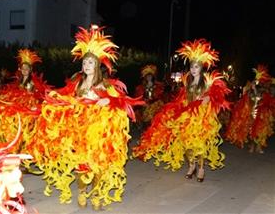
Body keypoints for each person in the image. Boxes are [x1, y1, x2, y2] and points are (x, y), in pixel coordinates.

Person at [27, 25, 143, 210]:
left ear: (96, 65)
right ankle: (82, 191)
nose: (86, 66)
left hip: (99, 133)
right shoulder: (77, 82)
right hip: (80, 131)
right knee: (82, 164)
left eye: (89, 63)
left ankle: (96, 194)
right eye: (84, 63)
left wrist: (109, 102)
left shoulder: (105, 84)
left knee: (98, 164)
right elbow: (66, 98)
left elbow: (121, 101)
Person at [132, 39, 230, 182]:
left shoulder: (208, 83)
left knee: (200, 145)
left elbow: (215, 96)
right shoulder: (187, 82)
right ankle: (191, 165)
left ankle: (201, 169)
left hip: (202, 118)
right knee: (187, 144)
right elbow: (182, 99)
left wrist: (208, 99)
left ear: (201, 68)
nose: (193, 69)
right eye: (192, 67)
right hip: (188, 117)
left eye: (196, 67)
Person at [225, 64, 274, 153]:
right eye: (256, 80)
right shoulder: (250, 89)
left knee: (261, 130)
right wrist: (252, 89)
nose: (257, 81)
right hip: (252, 111)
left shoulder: (265, 90)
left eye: (259, 80)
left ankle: (259, 146)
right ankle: (251, 145)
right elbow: (247, 98)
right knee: (251, 129)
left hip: (262, 113)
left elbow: (266, 99)